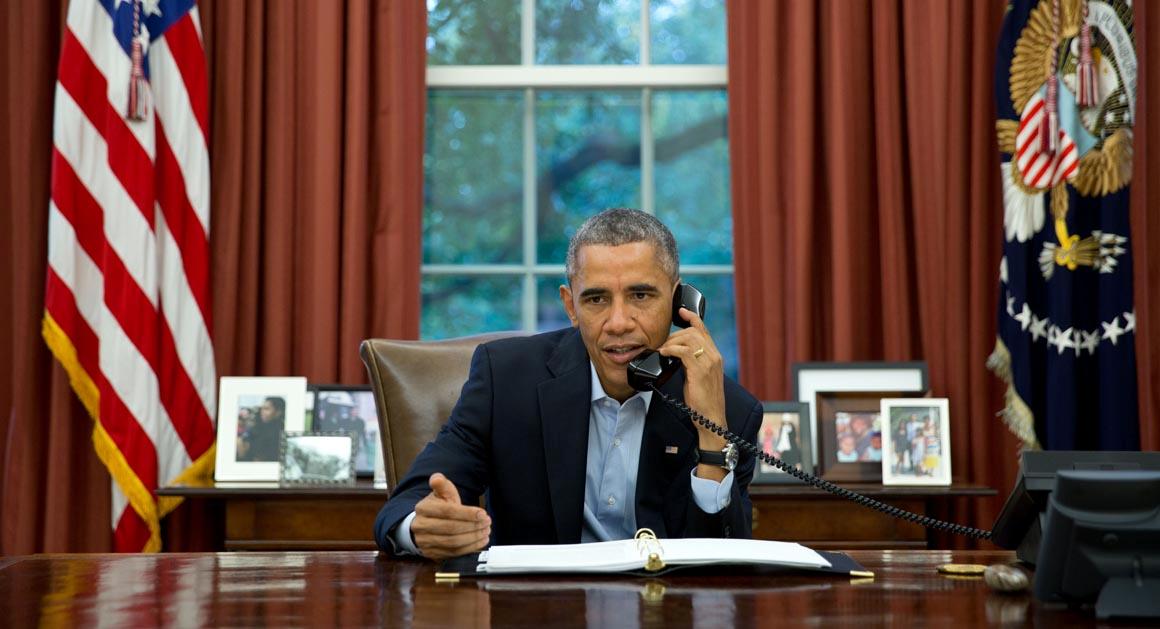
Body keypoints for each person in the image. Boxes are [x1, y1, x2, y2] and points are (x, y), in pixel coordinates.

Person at [374, 208, 763, 559]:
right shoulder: (506, 380)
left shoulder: (731, 410)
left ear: (679, 302)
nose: (618, 322)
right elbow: (404, 505)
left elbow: (723, 568)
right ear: (570, 306)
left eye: (641, 295)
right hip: (536, 612)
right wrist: (422, 529)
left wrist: (713, 437)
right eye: (596, 300)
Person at [237, 396, 286, 462]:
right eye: (262, 409)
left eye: (266, 409)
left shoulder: (279, 433)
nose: (262, 412)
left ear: (278, 412)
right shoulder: (259, 428)